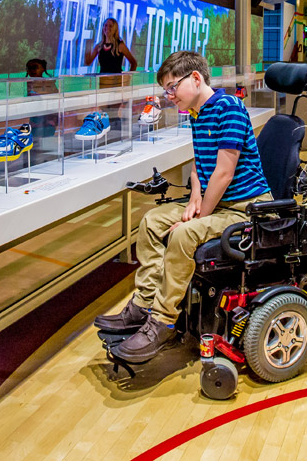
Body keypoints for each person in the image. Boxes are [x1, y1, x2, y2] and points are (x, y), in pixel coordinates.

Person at [94, 50, 273, 362]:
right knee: (152, 221)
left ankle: (162, 321)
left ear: (195, 78)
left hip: (243, 207)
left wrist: (199, 215)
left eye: (172, 87)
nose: (169, 95)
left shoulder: (228, 107)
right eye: (166, 89)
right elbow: (199, 165)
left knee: (183, 235)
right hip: (216, 203)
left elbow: (224, 172)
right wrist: (194, 196)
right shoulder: (196, 112)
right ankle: (144, 303)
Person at [84, 17, 137, 84]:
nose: (107, 28)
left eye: (110, 26)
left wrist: (128, 78)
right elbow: (88, 62)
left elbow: (134, 63)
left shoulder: (120, 45)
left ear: (115, 29)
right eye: (105, 25)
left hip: (117, 84)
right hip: (103, 84)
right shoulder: (99, 46)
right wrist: (87, 47)